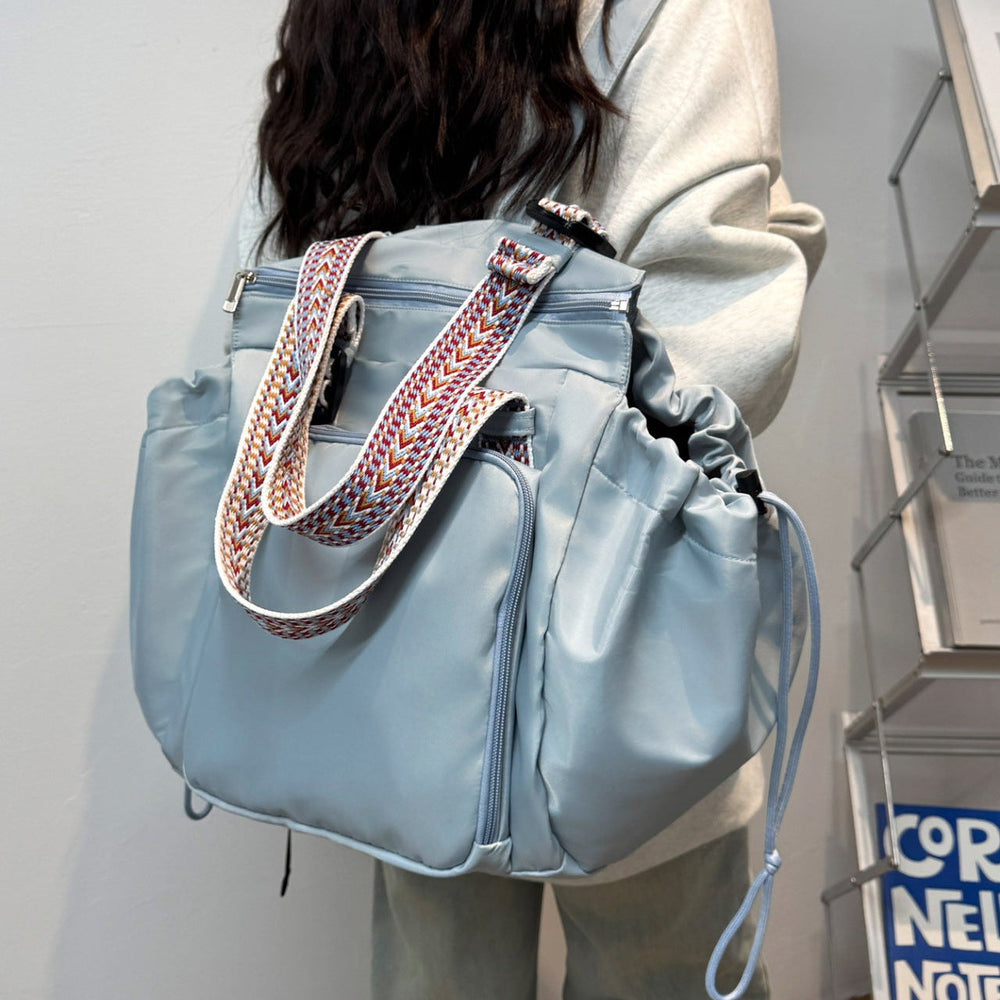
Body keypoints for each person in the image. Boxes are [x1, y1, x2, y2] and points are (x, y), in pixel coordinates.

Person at [239, 0, 826, 997]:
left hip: (398, 619)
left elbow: (289, 291)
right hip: (619, 620)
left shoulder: (346, 16)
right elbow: (721, 330)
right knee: (658, 965)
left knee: (439, 970)